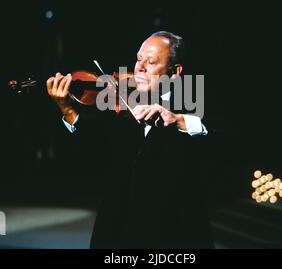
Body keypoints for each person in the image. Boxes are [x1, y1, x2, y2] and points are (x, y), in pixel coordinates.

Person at [46, 31, 214, 248]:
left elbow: (221, 140)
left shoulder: (195, 103)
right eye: (138, 59)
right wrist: (67, 109)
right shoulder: (123, 106)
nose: (139, 67)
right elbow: (92, 151)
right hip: (115, 237)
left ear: (174, 72)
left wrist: (177, 120)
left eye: (151, 62)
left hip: (172, 240)